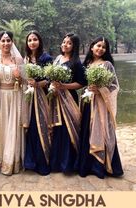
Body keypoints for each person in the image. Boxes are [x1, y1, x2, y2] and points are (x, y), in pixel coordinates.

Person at [76, 36, 124, 179]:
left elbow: (115, 86)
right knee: (87, 131)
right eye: (98, 45)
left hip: (101, 104)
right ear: (92, 47)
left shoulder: (107, 64)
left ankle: (100, 167)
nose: (100, 49)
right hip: (87, 103)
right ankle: (87, 165)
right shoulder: (88, 64)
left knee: (102, 131)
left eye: (104, 47)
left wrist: (101, 90)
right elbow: (82, 82)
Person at [0, 31, 24, 175]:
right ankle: (0, 160)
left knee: (13, 127)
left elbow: (25, 83)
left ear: (12, 42)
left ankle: (12, 162)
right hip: (0, 97)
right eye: (3, 41)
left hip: (15, 96)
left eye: (8, 40)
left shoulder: (19, 60)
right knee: (0, 127)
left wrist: (19, 78)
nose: (6, 43)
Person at [49, 33, 86, 173]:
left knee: (68, 129)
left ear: (74, 46)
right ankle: (56, 162)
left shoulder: (76, 62)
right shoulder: (58, 58)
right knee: (57, 129)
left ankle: (68, 164)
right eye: (64, 42)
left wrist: (64, 86)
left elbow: (81, 83)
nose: (65, 44)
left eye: (69, 43)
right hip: (56, 98)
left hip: (69, 98)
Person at [23, 30, 53, 175]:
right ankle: (30, 161)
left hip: (42, 97)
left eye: (35, 39)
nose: (32, 42)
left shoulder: (46, 58)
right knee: (30, 127)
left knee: (41, 126)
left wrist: (39, 84)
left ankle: (43, 162)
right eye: (30, 40)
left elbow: (50, 79)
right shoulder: (26, 58)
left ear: (39, 41)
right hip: (29, 98)